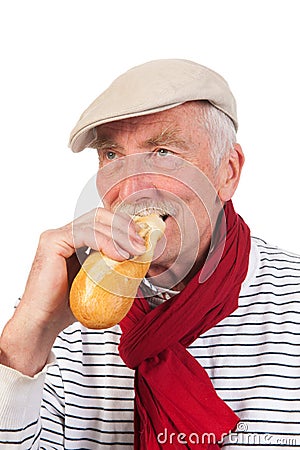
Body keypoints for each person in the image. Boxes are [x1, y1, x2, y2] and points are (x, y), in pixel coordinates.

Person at [0, 59, 299, 450]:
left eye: (162, 152)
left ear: (227, 173)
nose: (131, 188)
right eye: (112, 156)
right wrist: (28, 337)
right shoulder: (62, 312)